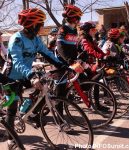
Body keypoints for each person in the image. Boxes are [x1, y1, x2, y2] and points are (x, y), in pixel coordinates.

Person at [4, 8, 66, 149]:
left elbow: (47, 53)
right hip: (11, 77)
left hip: (26, 74)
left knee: (44, 88)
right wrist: (32, 75)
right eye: (40, 24)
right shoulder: (17, 39)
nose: (42, 26)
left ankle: (29, 113)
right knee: (12, 108)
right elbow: (18, 62)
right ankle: (10, 139)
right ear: (32, 25)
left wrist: (62, 65)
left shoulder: (35, 39)